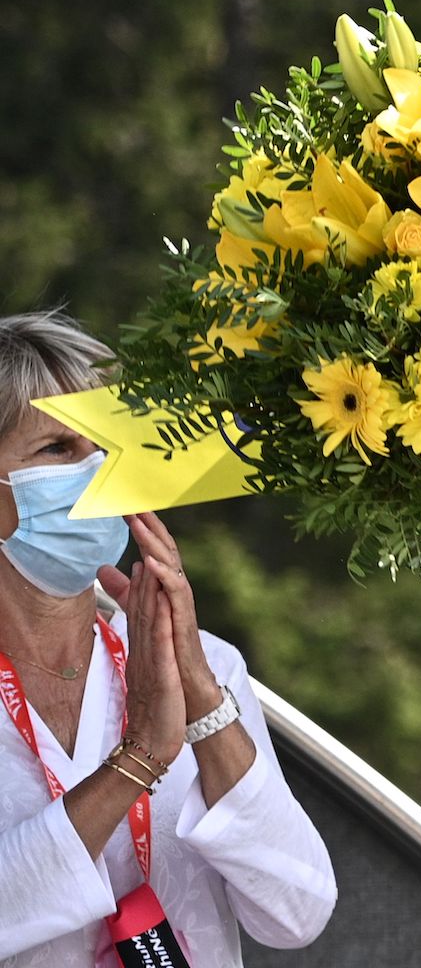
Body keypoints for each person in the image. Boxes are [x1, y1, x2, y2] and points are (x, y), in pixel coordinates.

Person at [0, 311, 336, 967]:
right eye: (58, 451)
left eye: (108, 449)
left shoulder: (207, 668)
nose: (97, 474)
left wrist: (204, 704)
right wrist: (140, 760)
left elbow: (298, 913)